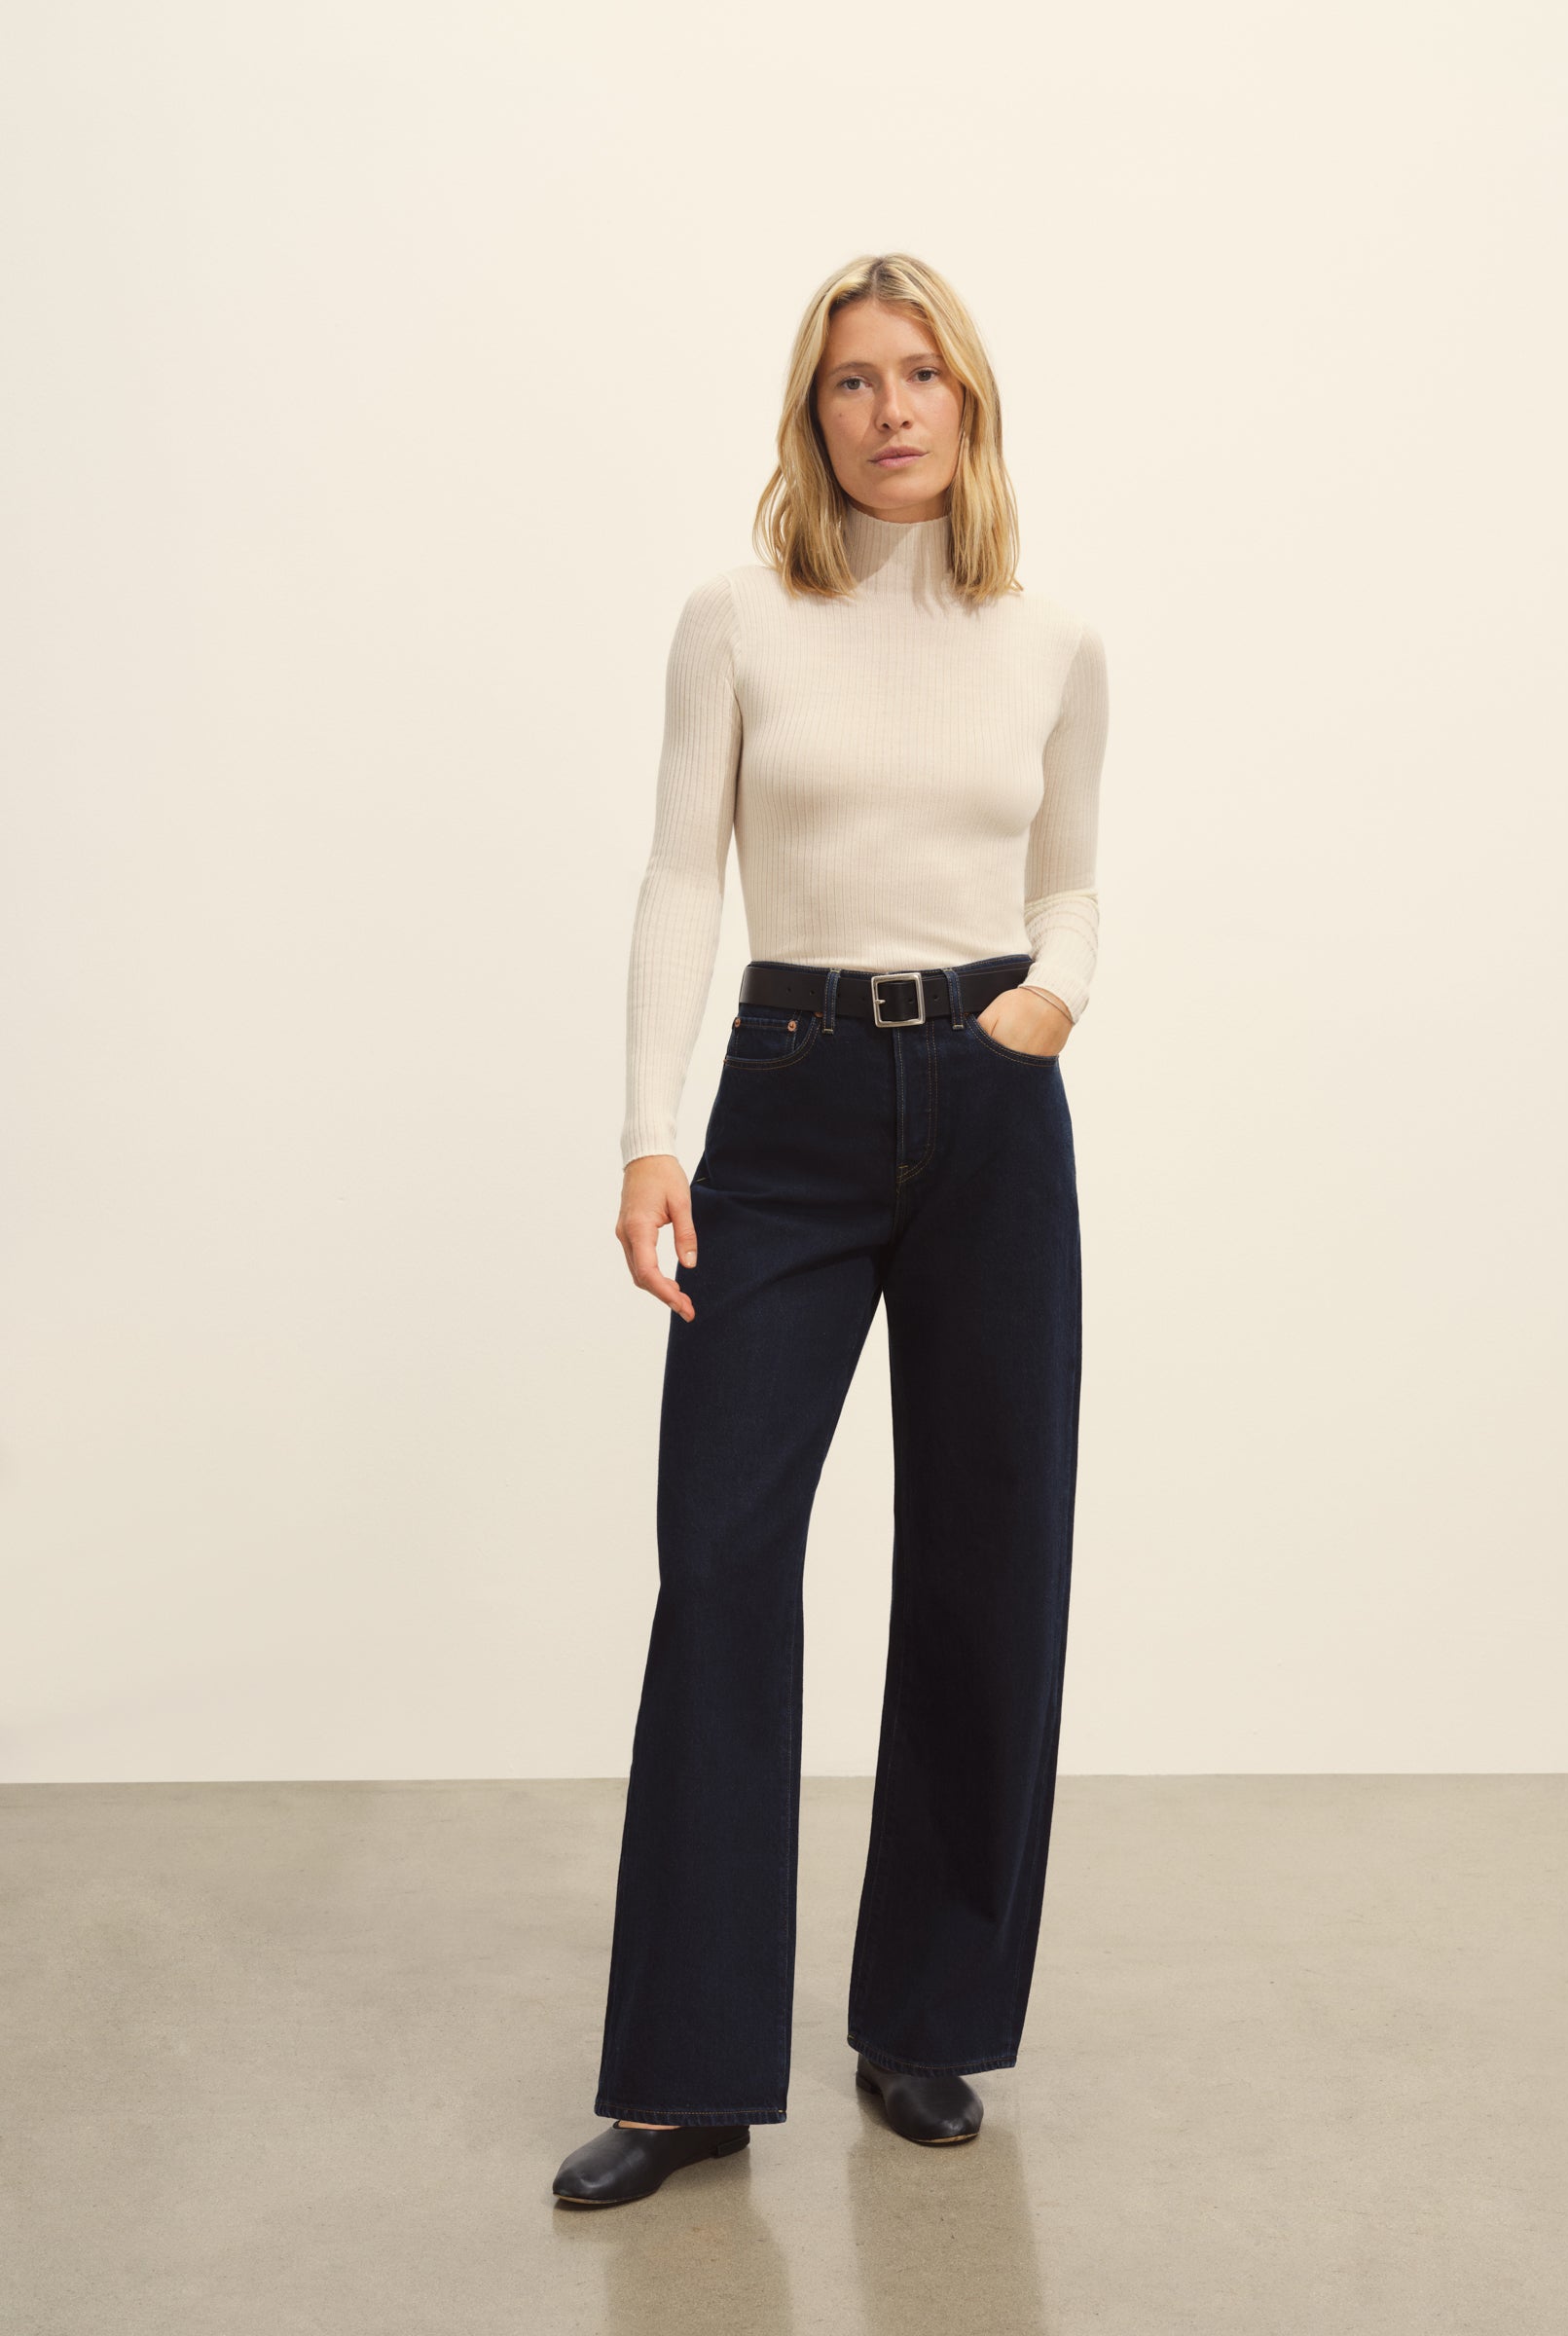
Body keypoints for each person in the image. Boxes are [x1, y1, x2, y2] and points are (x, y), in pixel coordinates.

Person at [553, 250, 1109, 2209]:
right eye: (856, 381)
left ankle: (925, 2022)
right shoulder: (738, 619)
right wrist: (650, 1136)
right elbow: (677, 877)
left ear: (971, 404)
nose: (893, 411)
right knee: (720, 1560)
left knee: (986, 1559)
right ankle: (687, 2076)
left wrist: (1047, 1005)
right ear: (814, 413)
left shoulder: (1053, 641)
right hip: (783, 1104)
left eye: (924, 376)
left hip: (992, 1101)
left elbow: (1073, 884)